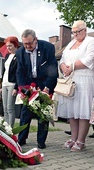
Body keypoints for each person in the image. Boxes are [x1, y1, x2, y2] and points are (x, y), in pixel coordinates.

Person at [16, 29, 58, 149]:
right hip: (29, 84)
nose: (28, 46)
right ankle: (22, 138)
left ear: (36, 39)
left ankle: (41, 141)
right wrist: (23, 90)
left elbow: (53, 70)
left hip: (44, 83)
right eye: (25, 44)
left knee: (43, 114)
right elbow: (20, 72)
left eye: (30, 43)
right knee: (25, 113)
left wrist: (47, 89)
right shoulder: (20, 52)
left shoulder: (48, 48)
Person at [57, 20, 94, 151]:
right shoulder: (71, 43)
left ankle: (81, 141)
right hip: (69, 80)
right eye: (73, 32)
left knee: (83, 110)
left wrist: (72, 66)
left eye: (77, 32)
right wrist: (63, 67)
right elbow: (62, 58)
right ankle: (73, 138)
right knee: (72, 111)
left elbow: (90, 58)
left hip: (85, 79)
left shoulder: (91, 41)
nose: (75, 35)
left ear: (85, 30)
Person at [1, 36, 18, 128]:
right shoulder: (7, 56)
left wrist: (16, 87)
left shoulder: (18, 56)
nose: (8, 48)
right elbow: (4, 70)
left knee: (10, 107)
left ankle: (10, 128)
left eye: (10, 46)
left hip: (12, 83)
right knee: (4, 108)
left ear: (15, 45)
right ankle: (5, 127)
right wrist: (1, 83)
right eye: (7, 46)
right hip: (4, 83)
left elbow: (19, 72)